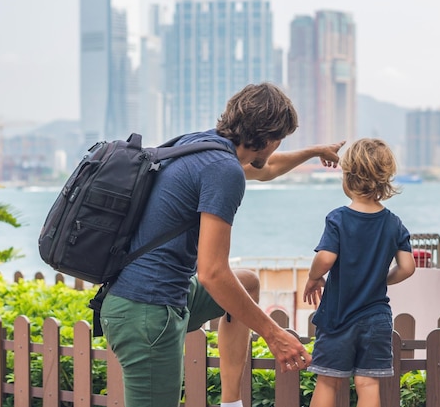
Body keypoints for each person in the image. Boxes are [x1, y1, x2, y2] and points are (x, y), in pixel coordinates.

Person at [99, 82, 344, 407]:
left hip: (149, 294)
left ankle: (231, 403)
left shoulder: (199, 145)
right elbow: (213, 273)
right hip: (148, 310)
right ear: (270, 139)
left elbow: (267, 168)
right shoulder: (223, 170)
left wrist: (314, 151)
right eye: (280, 140)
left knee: (248, 283)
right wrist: (274, 335)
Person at [302, 138, 416, 407]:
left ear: (348, 177)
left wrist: (314, 277)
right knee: (368, 383)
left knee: (328, 381)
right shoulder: (393, 223)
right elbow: (408, 267)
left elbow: (326, 258)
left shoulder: (339, 219)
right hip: (376, 319)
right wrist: (382, 279)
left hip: (338, 317)